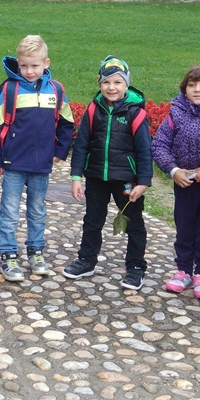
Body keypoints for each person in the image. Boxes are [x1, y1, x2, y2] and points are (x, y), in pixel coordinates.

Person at [64, 56, 153, 290]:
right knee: (92, 220)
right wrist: (76, 177)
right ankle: (86, 260)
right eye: (106, 82)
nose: (111, 87)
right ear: (99, 83)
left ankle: (136, 267)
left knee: (134, 223)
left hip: (126, 180)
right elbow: (81, 144)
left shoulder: (136, 113)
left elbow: (144, 150)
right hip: (96, 177)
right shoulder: (94, 110)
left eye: (117, 82)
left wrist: (143, 181)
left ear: (126, 84)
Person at [0, 35, 74, 281]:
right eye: (24, 65)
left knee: (37, 211)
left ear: (45, 63)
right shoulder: (10, 89)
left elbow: (66, 122)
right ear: (18, 63)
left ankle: (36, 252)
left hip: (41, 164)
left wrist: (59, 151)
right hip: (13, 163)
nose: (29, 71)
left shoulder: (56, 90)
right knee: (9, 212)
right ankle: (8, 254)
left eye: (35, 66)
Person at [151, 64, 200, 299]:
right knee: (184, 225)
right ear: (184, 88)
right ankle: (184, 269)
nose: (198, 90)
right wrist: (173, 170)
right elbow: (159, 144)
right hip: (184, 181)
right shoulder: (176, 113)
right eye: (192, 85)